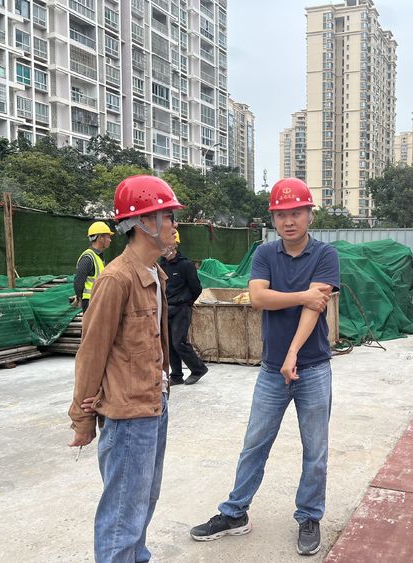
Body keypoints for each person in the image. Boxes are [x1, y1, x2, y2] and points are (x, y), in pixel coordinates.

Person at [190, 177, 340, 557]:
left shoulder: (325, 255)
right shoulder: (265, 254)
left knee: (315, 448)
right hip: (272, 371)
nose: (289, 221)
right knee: (254, 443)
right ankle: (235, 513)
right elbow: (257, 298)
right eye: (281, 214)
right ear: (273, 218)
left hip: (312, 368)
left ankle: (309, 516)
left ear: (309, 215)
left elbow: (313, 310)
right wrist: (303, 294)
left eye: (296, 213)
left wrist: (292, 353)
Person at [68, 175, 182, 562]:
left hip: (154, 404)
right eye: (169, 217)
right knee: (122, 514)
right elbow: (91, 353)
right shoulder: (116, 279)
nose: (174, 225)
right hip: (128, 415)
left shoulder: (156, 275)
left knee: (143, 501)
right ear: (145, 222)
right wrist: (82, 420)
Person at [160, 230, 209, 386]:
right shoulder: (161, 265)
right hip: (166, 309)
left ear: (175, 244)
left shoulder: (185, 265)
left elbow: (196, 288)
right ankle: (176, 375)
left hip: (181, 308)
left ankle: (198, 369)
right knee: (169, 344)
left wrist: (187, 302)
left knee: (179, 342)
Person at [74, 221, 114, 312]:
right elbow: (78, 282)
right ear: (100, 238)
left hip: (97, 299)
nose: (110, 240)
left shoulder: (98, 256)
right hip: (91, 301)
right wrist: (79, 298)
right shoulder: (88, 258)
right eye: (108, 237)